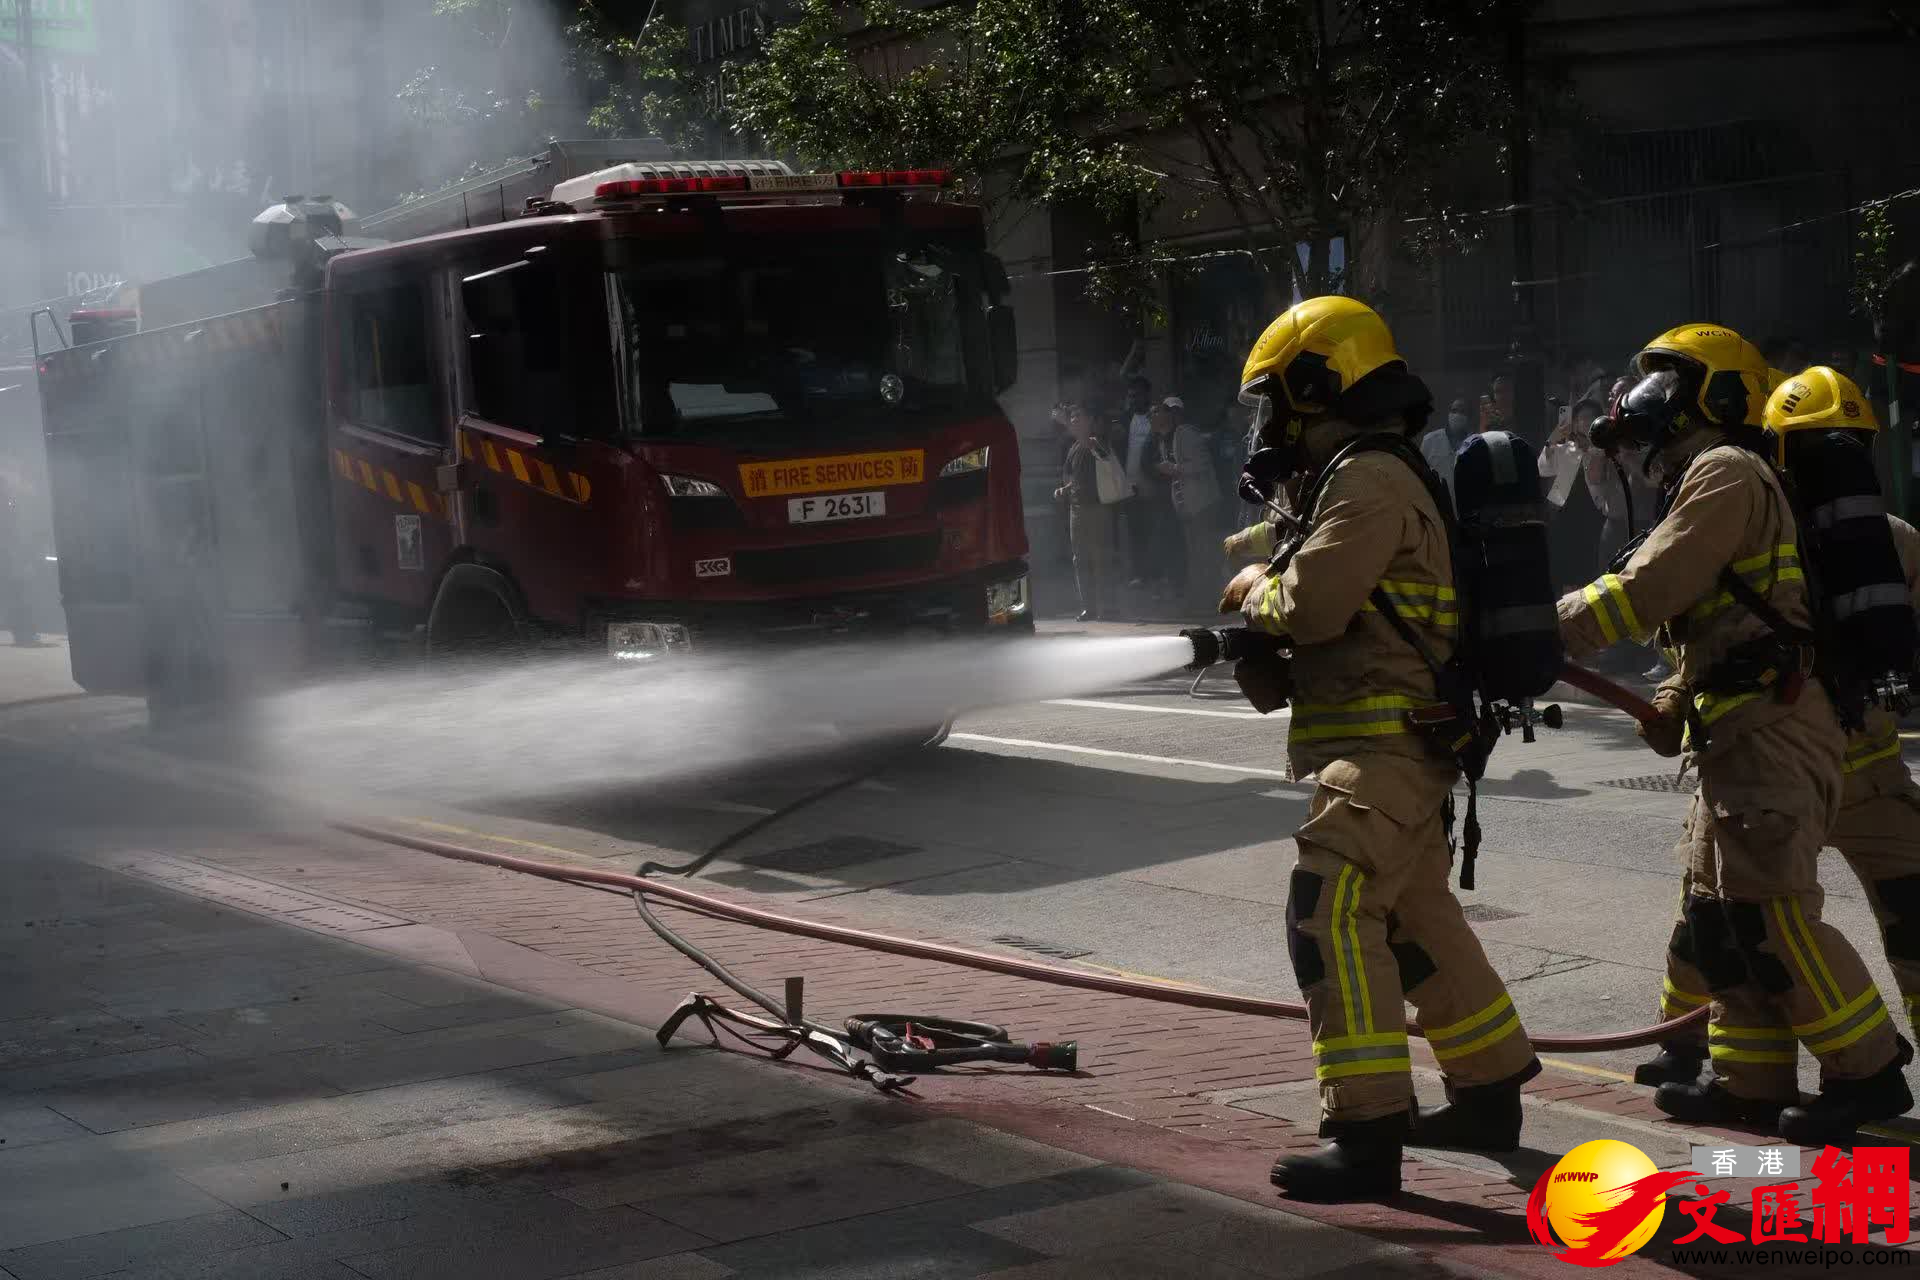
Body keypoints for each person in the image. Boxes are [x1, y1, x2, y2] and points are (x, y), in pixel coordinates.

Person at [1556, 327, 1911, 1146]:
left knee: (1774, 914)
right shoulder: (1719, 477)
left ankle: (1869, 1068)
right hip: (1736, 727)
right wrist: (1678, 692)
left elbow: (1654, 584)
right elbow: (1717, 622)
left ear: (1717, 395)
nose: (1654, 411)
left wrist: (1549, 630)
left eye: (1671, 387)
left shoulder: (1725, 469)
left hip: (1772, 729)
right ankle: (1750, 1079)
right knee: (1723, 917)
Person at [1219, 296, 1539, 1202]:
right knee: (1416, 920)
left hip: (1387, 749)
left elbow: (1314, 605)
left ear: (1318, 385)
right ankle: (1489, 1086)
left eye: (1275, 401)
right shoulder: (1361, 479)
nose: (1268, 425)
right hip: (1397, 748)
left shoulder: (1367, 479)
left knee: (1329, 913)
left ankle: (1366, 1131)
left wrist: (1254, 592)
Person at [1054, 405, 1115, 621]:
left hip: (1097, 508)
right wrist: (1065, 489)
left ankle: (1105, 607)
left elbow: (1103, 457)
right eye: (1072, 418)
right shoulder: (1073, 448)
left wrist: (1078, 433)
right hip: (1077, 509)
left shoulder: (1095, 442)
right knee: (1080, 559)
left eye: (1078, 417)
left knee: (1100, 558)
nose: (1074, 420)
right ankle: (1088, 607)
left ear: (1090, 421)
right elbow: (1073, 478)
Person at [1164, 396, 1223, 614]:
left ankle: (1206, 602)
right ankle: (1201, 601)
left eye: (1171, 412)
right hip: (1191, 507)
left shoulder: (1186, 433)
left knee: (1202, 554)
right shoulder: (1173, 435)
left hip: (1201, 505)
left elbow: (1201, 464)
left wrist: (1175, 468)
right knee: (1196, 554)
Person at [1118, 375, 1158, 589]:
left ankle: (1155, 576)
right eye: (1130, 396)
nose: (1133, 399)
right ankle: (1139, 575)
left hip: (1152, 485)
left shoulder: (1155, 418)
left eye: (1137, 395)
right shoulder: (1125, 419)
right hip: (1129, 486)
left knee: (1154, 532)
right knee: (1135, 533)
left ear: (1147, 395)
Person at [1418, 397, 1475, 499]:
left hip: (1466, 505)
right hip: (1436, 504)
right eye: (1454, 411)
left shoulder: (1476, 444)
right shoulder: (1430, 440)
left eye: (1462, 412)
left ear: (1470, 417)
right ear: (1448, 413)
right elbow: (1419, 475)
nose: (1457, 415)